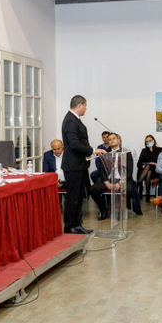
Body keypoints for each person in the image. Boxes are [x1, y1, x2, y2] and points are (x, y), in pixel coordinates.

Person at [62, 95, 105, 234]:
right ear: (79, 105)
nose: (86, 108)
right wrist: (93, 150)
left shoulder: (75, 119)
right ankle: (70, 226)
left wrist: (88, 152)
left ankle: (77, 224)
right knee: (73, 197)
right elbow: (74, 144)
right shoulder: (70, 120)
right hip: (73, 166)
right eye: (85, 105)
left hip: (79, 165)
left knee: (79, 197)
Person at [89, 133, 141, 219]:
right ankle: (103, 210)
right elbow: (101, 170)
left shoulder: (126, 152)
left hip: (123, 179)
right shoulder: (105, 153)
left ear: (118, 140)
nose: (112, 140)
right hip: (109, 179)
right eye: (110, 139)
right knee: (92, 189)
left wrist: (120, 183)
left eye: (114, 138)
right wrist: (106, 182)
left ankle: (120, 209)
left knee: (128, 189)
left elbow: (129, 171)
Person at [137, 135, 162, 202]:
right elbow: (139, 163)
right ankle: (148, 194)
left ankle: (137, 183)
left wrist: (154, 164)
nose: (148, 142)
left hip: (155, 170)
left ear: (153, 140)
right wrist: (143, 166)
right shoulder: (144, 151)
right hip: (146, 170)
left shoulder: (159, 150)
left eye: (150, 140)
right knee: (148, 171)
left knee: (149, 167)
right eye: (147, 141)